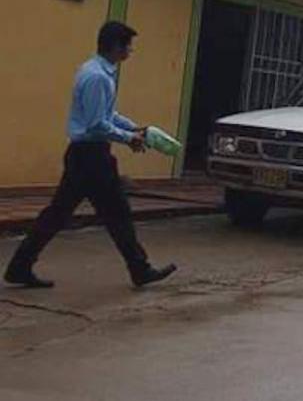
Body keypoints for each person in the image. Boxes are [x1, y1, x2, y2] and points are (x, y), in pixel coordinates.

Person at [4, 22, 177, 289]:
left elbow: (109, 115)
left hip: (85, 156)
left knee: (60, 213)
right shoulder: (97, 77)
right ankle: (139, 269)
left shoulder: (96, 70)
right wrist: (129, 138)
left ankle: (20, 266)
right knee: (116, 212)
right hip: (92, 156)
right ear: (116, 46)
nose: (130, 51)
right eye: (128, 45)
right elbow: (97, 124)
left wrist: (134, 128)